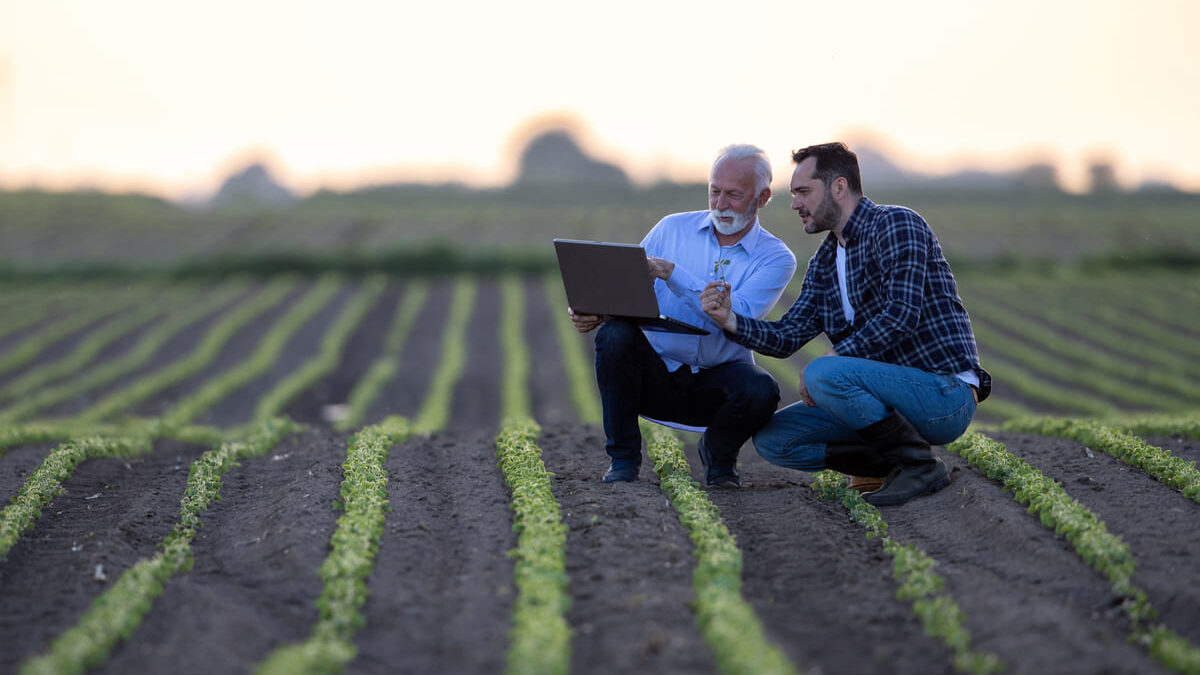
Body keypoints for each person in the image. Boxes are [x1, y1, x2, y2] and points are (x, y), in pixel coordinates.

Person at [701, 142, 991, 506]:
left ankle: (919, 466)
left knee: (825, 372)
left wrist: (833, 358)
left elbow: (901, 315)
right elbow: (787, 337)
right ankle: (884, 466)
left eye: (803, 192)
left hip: (941, 393)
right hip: (880, 398)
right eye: (793, 194)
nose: (795, 204)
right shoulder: (825, 261)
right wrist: (729, 319)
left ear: (839, 187)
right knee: (775, 440)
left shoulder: (896, 224)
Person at [569, 144, 797, 487]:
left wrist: (673, 273)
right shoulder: (671, 229)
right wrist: (591, 311)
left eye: (733, 195)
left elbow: (741, 316)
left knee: (761, 388)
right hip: (655, 376)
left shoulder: (776, 258)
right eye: (714, 191)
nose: (720, 205)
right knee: (613, 336)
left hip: (715, 383)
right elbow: (626, 285)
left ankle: (719, 458)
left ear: (763, 198)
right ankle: (623, 460)